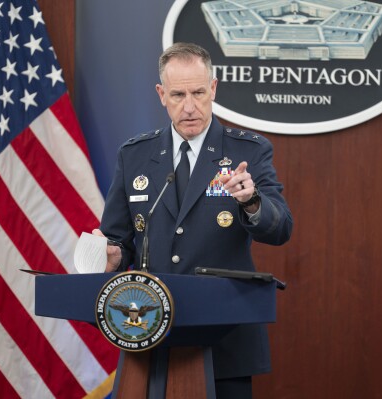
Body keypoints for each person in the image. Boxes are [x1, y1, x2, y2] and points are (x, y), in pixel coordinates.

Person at [94, 42, 292, 398]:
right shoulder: (135, 155)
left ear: (213, 88)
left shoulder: (247, 151)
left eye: (199, 92)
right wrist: (111, 257)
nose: (189, 107)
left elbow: (280, 229)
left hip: (223, 338)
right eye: (178, 94)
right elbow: (118, 241)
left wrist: (251, 202)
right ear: (161, 94)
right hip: (148, 330)